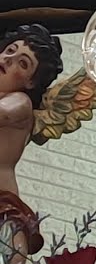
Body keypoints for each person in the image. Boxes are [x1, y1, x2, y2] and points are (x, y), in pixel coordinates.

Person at [0, 24, 64, 199]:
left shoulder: (21, 103)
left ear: (31, 82)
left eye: (22, 63)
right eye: (10, 50)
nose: (8, 59)